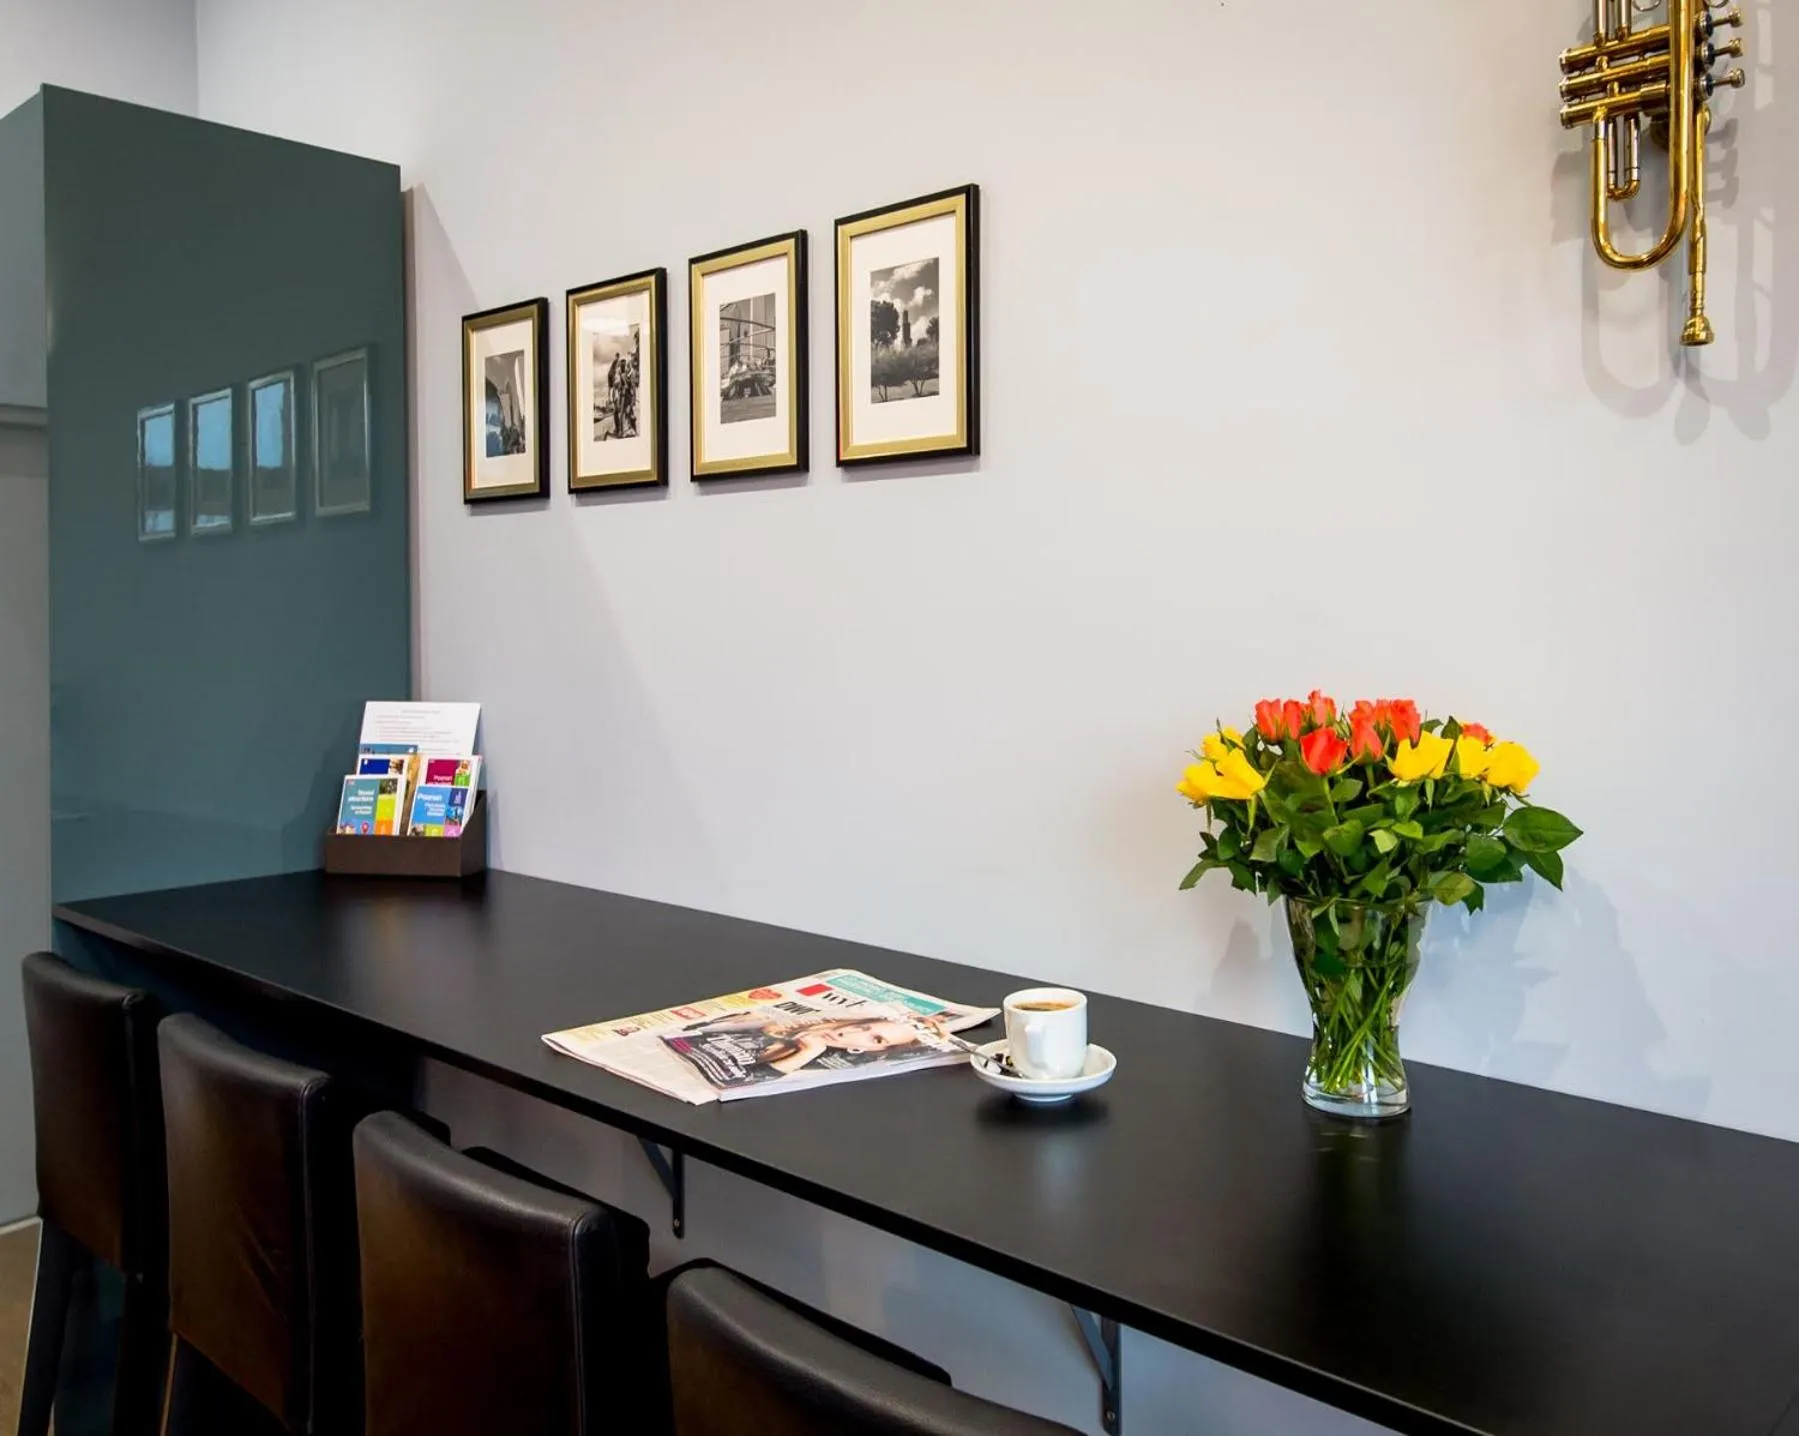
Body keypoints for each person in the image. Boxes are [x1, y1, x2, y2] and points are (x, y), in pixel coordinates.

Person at [679, 1012, 949, 1078]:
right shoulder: (785, 1025)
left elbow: (747, 1079)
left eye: (876, 1040)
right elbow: (692, 1030)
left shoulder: (821, 1062)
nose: (851, 1034)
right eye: (865, 1026)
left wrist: (805, 1053)